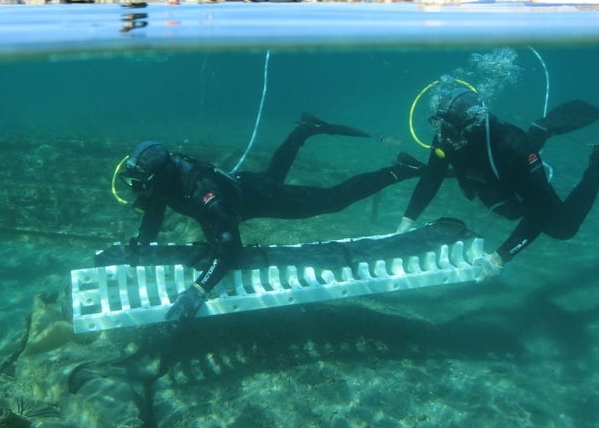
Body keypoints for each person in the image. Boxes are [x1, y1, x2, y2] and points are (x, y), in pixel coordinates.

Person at [118, 115, 427, 322]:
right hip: (241, 189)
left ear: (160, 174)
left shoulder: (202, 192)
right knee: (272, 175)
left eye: (141, 181)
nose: (138, 189)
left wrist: (198, 291)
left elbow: (230, 244)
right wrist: (144, 245)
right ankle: (305, 128)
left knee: (333, 200)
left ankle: (401, 170)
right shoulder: (161, 180)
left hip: (253, 198)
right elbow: (154, 208)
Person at [396, 83, 599, 274]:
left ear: (470, 124)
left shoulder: (515, 146)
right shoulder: (448, 138)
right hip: (499, 183)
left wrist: (501, 257)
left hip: (518, 179)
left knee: (563, 229)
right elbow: (431, 178)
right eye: (440, 127)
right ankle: (541, 131)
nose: (444, 136)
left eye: (449, 129)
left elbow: (541, 210)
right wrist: (406, 223)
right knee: (500, 182)